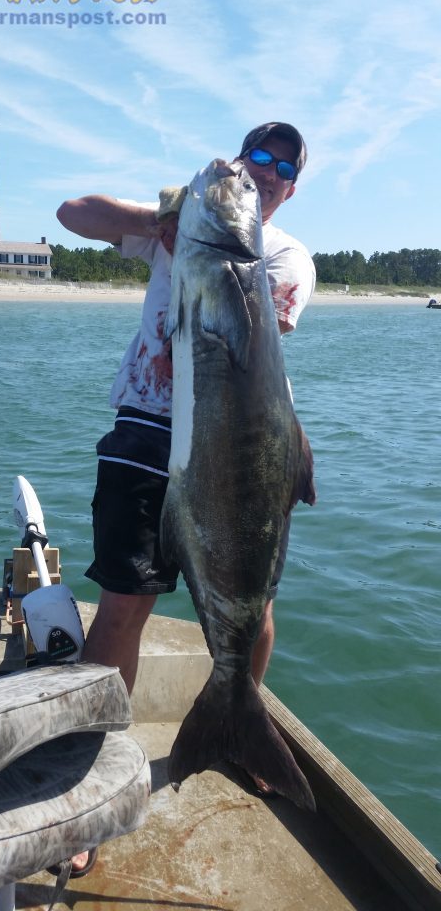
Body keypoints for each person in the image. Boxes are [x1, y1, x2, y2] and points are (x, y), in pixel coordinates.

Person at [57, 122, 315, 870]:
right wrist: (160, 222)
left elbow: (257, 312)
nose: (262, 171)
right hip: (146, 424)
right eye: (253, 159)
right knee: (123, 605)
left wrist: (203, 230)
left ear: (291, 187)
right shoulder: (180, 226)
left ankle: (237, 715)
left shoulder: (286, 253)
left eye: (279, 167)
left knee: (252, 608)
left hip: (242, 445)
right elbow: (74, 213)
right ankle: (92, 776)